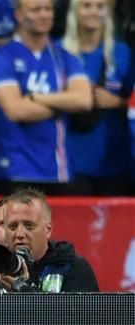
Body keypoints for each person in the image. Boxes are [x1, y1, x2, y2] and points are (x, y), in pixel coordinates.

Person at [0, 0, 92, 195]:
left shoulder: (65, 58)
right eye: (35, 10)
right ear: (18, 15)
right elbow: (16, 111)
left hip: (58, 171)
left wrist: (37, 98)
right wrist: (65, 102)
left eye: (48, 9)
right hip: (14, 171)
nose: (43, 15)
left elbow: (84, 100)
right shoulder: (1, 58)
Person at [0, 188, 99, 292]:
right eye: (12, 226)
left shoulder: (72, 268)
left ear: (48, 229)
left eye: (29, 225)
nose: (19, 233)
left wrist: (24, 291)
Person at [61, 0, 133, 195]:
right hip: (69, 162)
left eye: (100, 6)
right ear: (75, 11)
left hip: (114, 161)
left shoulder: (122, 53)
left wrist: (117, 102)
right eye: (87, 5)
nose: (93, 11)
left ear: (108, 12)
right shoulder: (59, 51)